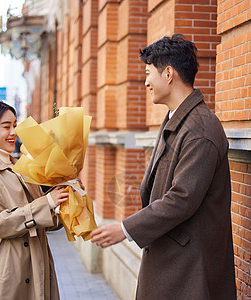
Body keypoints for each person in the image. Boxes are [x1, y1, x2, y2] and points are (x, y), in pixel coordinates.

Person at [90, 34, 236, 299]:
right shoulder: (178, 118)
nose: (145, 82)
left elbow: (182, 198)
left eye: (149, 73)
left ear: (168, 73)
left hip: (188, 270)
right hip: (171, 259)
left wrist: (125, 229)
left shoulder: (200, 128)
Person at [0, 99, 68, 300]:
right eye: (6, 127)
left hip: (39, 267)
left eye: (15, 125)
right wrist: (48, 203)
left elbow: (43, 220)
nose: (14, 132)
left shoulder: (21, 167)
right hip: (10, 272)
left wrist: (64, 198)